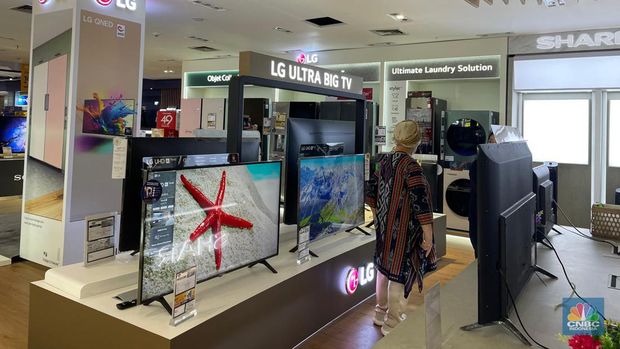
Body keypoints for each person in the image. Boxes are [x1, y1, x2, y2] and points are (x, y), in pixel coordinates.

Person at [366, 120, 436, 336]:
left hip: (384, 229)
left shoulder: (384, 160)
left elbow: (371, 192)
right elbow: (420, 202)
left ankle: (380, 313)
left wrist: (380, 216)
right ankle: (393, 322)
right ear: (416, 141)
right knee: (399, 272)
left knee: (383, 269)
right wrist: (428, 234)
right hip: (404, 232)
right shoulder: (412, 166)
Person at [467, 132, 496, 258]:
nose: (492, 144)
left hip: (491, 215)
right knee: (479, 248)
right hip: (479, 213)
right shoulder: (478, 164)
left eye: (496, 141)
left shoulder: (505, 165)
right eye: (490, 141)